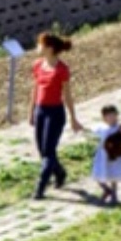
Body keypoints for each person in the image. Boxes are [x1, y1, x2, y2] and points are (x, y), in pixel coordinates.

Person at [29, 32, 84, 199]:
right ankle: (59, 173)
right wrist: (31, 111)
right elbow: (35, 89)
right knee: (42, 150)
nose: (37, 47)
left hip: (55, 114)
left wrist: (73, 118)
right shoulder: (37, 65)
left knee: (48, 151)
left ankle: (40, 187)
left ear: (50, 48)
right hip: (40, 111)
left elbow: (67, 95)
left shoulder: (62, 70)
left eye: (40, 45)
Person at [91, 104, 121, 205]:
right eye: (108, 115)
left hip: (115, 156)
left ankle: (114, 196)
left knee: (114, 175)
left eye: (113, 115)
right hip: (103, 156)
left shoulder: (120, 128)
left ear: (117, 115)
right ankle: (106, 190)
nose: (111, 118)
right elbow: (91, 133)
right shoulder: (100, 127)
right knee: (98, 174)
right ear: (104, 117)